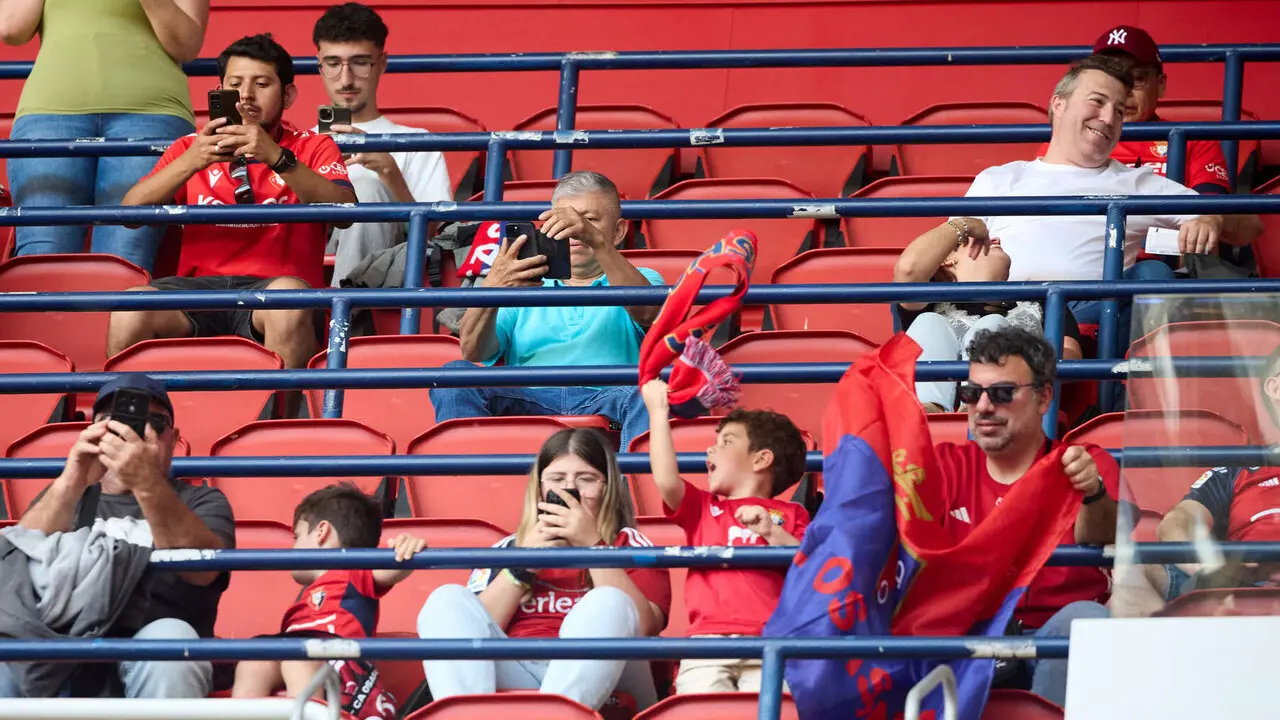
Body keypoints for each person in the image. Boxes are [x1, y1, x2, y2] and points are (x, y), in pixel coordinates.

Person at [922, 54, 1262, 348]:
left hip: (1089, 313)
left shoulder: (1135, 182)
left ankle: (1113, 394)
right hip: (1002, 309)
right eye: (1097, 102)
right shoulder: (999, 178)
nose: (1109, 117)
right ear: (1059, 103)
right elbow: (950, 261)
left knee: (1152, 275)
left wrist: (1212, 218)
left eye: (1118, 110)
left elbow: (1251, 226)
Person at [108, 34, 357, 405]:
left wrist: (274, 155)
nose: (247, 96)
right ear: (219, 90)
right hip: (198, 294)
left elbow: (344, 212)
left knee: (287, 302)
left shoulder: (311, 145)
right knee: (130, 307)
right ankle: (118, 429)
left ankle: (279, 436)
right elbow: (129, 213)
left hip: (275, 290)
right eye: (235, 84)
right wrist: (193, 160)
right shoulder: (189, 147)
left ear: (287, 95)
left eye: (262, 84)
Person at [0, 373, 235, 698]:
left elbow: (203, 570)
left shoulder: (200, 500)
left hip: (150, 641)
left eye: (154, 421)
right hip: (59, 644)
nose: (133, 431)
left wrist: (145, 480)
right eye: (113, 421)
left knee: (171, 641)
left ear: (172, 438)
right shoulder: (68, 495)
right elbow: (17, 562)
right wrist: (73, 477)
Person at [416, 428, 671, 711]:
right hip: (521, 665)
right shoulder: (507, 547)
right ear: (539, 487)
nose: (569, 489)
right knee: (446, 599)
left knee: (608, 601)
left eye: (585, 479)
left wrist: (593, 546)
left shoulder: (630, 544)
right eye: (557, 479)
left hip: (608, 673)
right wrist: (522, 565)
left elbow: (645, 627)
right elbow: (474, 631)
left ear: (607, 486)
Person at [932, 327, 1120, 706]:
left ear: (1043, 397)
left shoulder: (1085, 463)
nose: (983, 407)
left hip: (1051, 639)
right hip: (963, 641)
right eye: (971, 393)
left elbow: (1104, 533)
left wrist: (1091, 492)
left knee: (1083, 622)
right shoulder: (943, 467)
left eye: (1002, 393)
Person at [429, 171, 664, 450]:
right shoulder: (523, 282)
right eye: (564, 221)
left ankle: (637, 491)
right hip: (529, 398)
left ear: (618, 231)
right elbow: (473, 351)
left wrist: (596, 242)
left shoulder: (644, 277)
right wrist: (492, 288)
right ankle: (472, 489)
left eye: (589, 220)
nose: (574, 231)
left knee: (650, 393)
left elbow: (648, 312)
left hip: (610, 398)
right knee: (455, 375)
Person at [0, 0, 208, 272]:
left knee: (124, 260)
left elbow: (186, 44)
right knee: (43, 253)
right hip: (50, 112)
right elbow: (11, 29)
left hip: (151, 114)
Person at [641, 380, 809, 694]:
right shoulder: (703, 508)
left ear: (761, 459)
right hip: (707, 644)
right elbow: (666, 479)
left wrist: (771, 532)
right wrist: (658, 414)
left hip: (773, 641)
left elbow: (806, 564)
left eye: (726, 441)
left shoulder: (793, 515)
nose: (710, 448)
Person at [233, 483, 426, 719]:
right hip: (297, 652)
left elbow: (391, 570)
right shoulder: (305, 596)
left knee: (298, 659)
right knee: (253, 660)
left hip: (340, 665)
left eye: (297, 536)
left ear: (321, 531)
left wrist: (407, 548)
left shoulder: (352, 570)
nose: (292, 547)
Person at [311, 3, 452, 286]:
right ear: (320, 65)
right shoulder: (298, 144)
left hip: (389, 268)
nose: (346, 79)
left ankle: (343, 314)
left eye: (360, 62)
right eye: (334, 63)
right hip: (305, 256)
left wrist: (390, 174)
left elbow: (437, 238)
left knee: (368, 188)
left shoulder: (417, 142)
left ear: (382, 63)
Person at [1133, 346, 1280, 611]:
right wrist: (1210, 569)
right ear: (1275, 388)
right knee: (1138, 571)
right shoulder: (1240, 467)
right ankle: (1156, 649)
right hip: (1246, 585)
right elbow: (1177, 523)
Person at [893, 234, 1083, 412]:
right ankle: (931, 411)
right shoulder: (930, 301)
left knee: (993, 324)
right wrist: (963, 225)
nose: (995, 238)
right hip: (930, 425)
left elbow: (1070, 355)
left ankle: (980, 403)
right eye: (975, 240)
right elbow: (908, 270)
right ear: (947, 260)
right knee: (928, 321)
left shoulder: (1042, 297)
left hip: (1013, 408)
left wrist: (1024, 362)